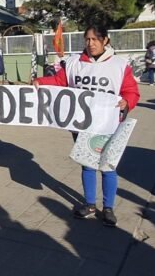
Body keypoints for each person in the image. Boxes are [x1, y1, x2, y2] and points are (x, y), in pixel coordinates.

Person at [34, 25, 140, 227]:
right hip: (82, 124)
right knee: (88, 163)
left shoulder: (119, 65)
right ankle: (90, 204)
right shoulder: (74, 62)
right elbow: (59, 81)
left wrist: (127, 102)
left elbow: (131, 91)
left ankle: (108, 208)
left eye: (95, 39)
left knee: (108, 165)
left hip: (109, 124)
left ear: (105, 41)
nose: (90, 44)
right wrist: (41, 82)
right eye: (87, 39)